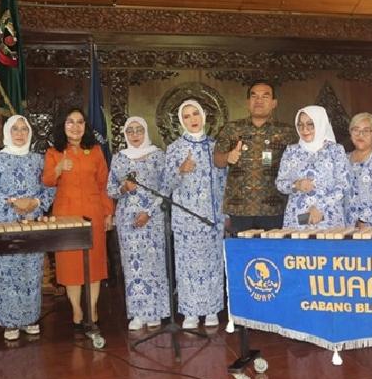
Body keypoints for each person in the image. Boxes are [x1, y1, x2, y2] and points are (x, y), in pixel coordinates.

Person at [0, 116, 54, 340]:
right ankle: (9, 322)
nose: (20, 133)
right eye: (15, 129)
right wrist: (12, 202)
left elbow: (50, 187)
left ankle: (30, 318)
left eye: (24, 129)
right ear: (8, 132)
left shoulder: (38, 160)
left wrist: (35, 202)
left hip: (32, 220)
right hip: (4, 221)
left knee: (31, 269)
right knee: (6, 270)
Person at [42, 108, 114, 330]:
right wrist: (58, 168)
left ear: (85, 126)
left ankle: (92, 309)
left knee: (94, 263)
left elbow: (104, 184)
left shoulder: (96, 151)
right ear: (63, 126)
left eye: (80, 122)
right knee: (71, 265)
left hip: (94, 213)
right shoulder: (54, 152)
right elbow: (47, 181)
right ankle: (76, 310)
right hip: (66, 215)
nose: (75, 126)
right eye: (70, 122)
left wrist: (108, 212)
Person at [164, 100, 226, 329]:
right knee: (187, 267)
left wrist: (225, 214)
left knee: (212, 266)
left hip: (212, 219)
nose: (192, 119)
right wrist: (180, 170)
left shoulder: (216, 147)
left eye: (195, 114)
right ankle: (190, 312)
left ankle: (211, 310)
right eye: (187, 116)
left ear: (203, 116)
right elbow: (165, 185)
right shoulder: (174, 148)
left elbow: (224, 182)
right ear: (181, 121)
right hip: (186, 220)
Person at [107, 116, 170, 331]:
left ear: (146, 132)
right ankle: (137, 313)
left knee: (154, 265)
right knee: (133, 266)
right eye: (130, 131)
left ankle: (155, 312)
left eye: (139, 130)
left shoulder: (158, 155)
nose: (135, 135)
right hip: (127, 221)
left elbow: (165, 188)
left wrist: (149, 212)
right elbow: (110, 190)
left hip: (152, 218)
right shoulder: (119, 158)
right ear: (125, 134)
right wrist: (124, 188)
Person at [214, 81, 297, 233]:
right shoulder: (232, 128)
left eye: (265, 96)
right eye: (254, 96)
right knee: (240, 248)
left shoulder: (287, 132)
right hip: (239, 208)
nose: (259, 100)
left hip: (275, 207)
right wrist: (228, 157)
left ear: (274, 103)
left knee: (273, 248)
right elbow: (218, 161)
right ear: (248, 102)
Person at [276, 105, 349, 229]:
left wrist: (320, 207)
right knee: (297, 243)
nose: (305, 129)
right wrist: (296, 185)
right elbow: (280, 183)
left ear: (320, 123)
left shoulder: (335, 150)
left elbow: (343, 185)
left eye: (310, 124)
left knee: (328, 243)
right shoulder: (291, 151)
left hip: (328, 217)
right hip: (297, 219)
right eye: (300, 125)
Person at [344, 112, 372, 227]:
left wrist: (363, 219)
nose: (360, 134)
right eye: (356, 130)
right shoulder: (344, 158)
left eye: (366, 130)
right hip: (348, 223)